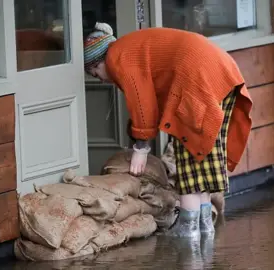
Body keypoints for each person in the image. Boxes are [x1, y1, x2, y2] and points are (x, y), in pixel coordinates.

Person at [84, 22, 253, 239]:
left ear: (100, 61)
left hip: (197, 81)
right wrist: (136, 136)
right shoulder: (128, 48)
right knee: (201, 164)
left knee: (189, 167)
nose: (101, 79)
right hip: (220, 73)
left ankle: (188, 231)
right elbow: (151, 104)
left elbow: (142, 103)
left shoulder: (118, 58)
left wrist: (141, 148)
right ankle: (204, 228)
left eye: (96, 72)